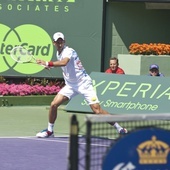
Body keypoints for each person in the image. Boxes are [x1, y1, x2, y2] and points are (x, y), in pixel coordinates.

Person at [36, 32, 128, 138]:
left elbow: (64, 62)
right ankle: (50, 131)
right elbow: (65, 67)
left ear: (64, 41)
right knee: (53, 104)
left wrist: (48, 63)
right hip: (71, 85)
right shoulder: (58, 53)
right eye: (58, 41)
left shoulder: (68, 51)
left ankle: (119, 128)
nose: (60, 43)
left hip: (84, 84)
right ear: (54, 43)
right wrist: (48, 66)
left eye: (61, 41)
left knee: (97, 110)